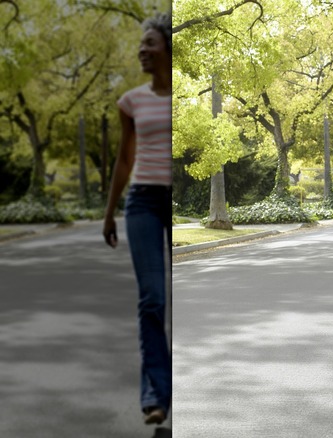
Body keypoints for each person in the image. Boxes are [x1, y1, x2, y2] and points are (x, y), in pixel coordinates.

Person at [102, 12, 173, 426]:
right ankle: (155, 395)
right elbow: (124, 158)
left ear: (167, 47)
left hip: (172, 197)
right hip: (143, 202)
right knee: (152, 299)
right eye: (140, 44)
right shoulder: (132, 101)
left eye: (149, 43)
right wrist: (110, 212)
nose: (141, 50)